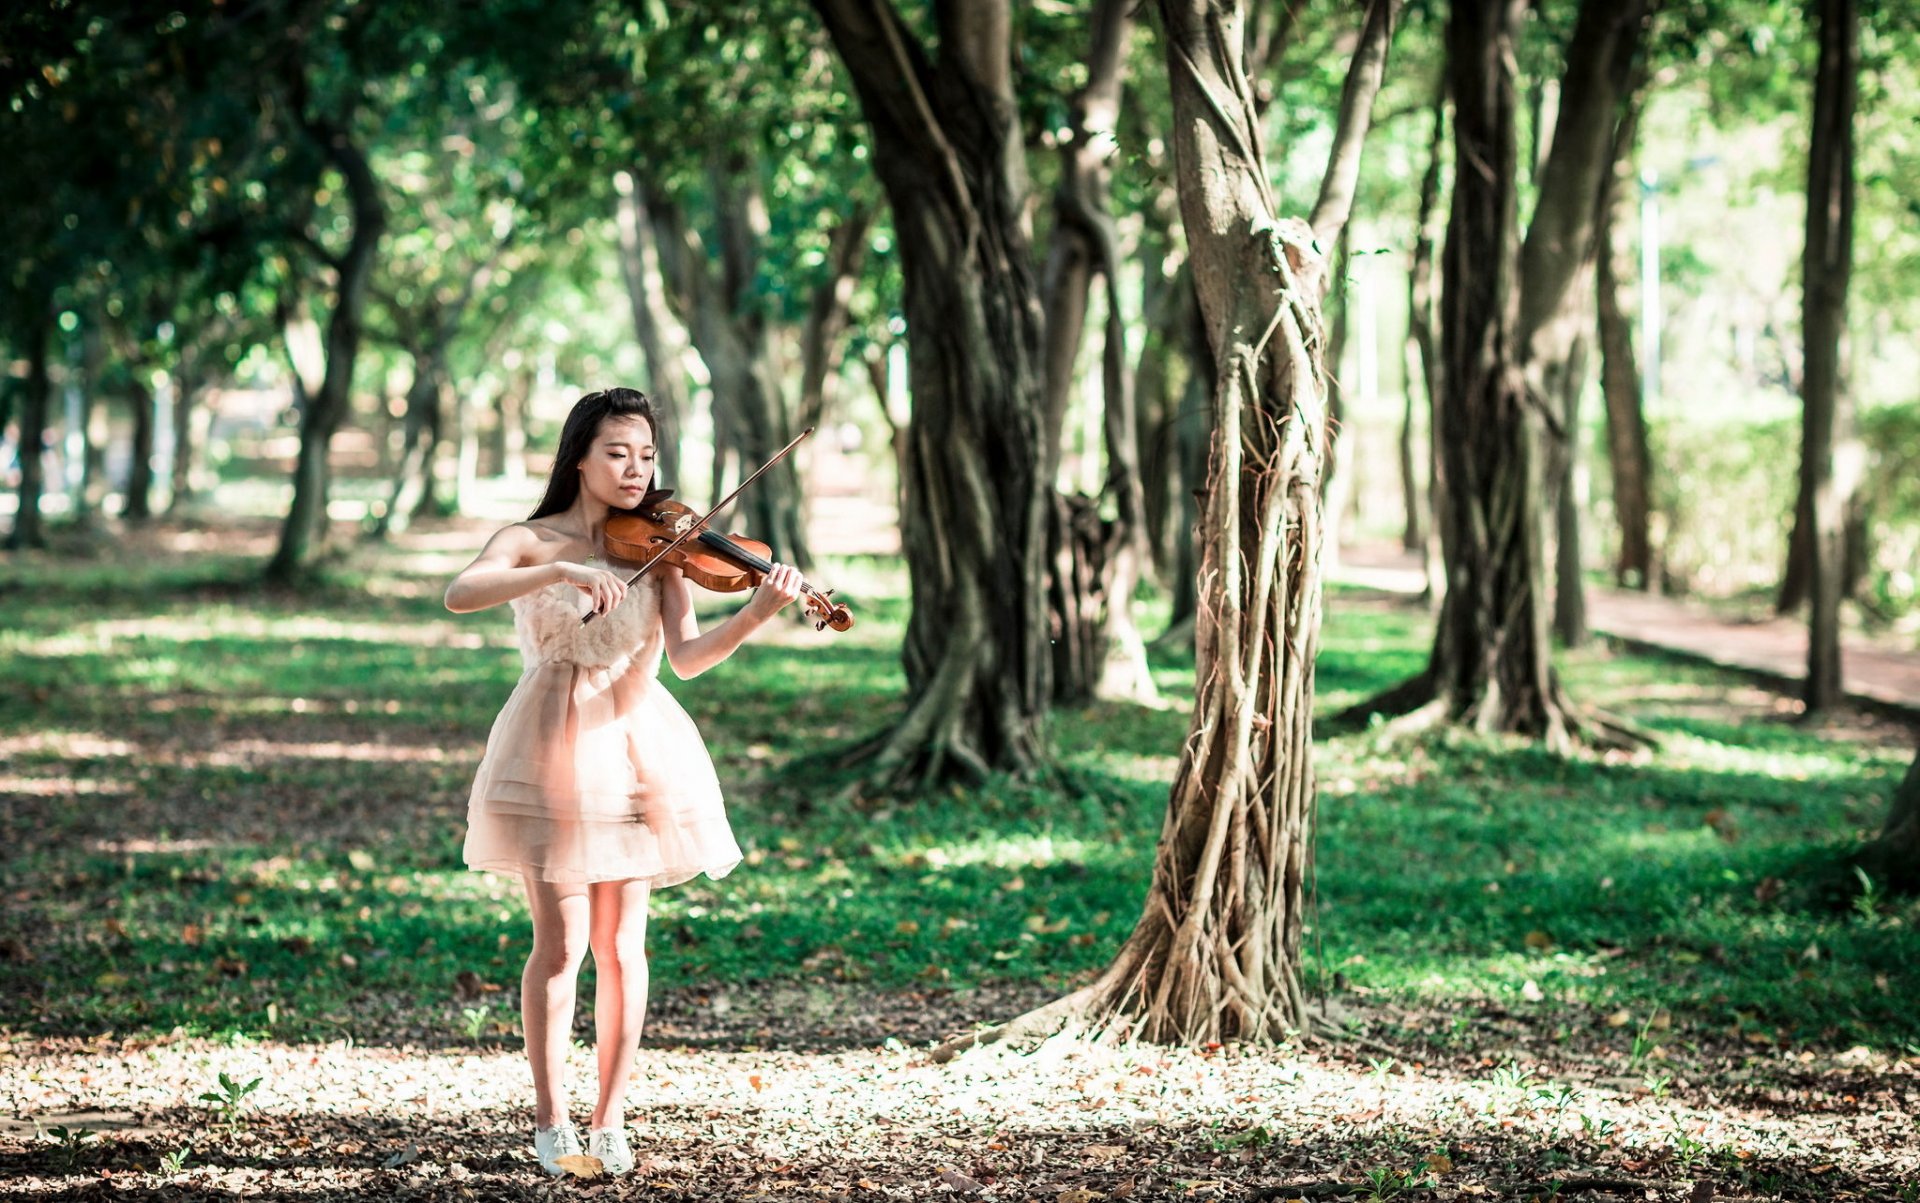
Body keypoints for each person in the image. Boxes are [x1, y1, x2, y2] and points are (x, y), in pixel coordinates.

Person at [445, 387, 801, 1177]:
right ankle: (550, 1118)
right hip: (550, 744)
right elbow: (460, 592)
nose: (638, 469)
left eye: (646, 455)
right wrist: (568, 565)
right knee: (562, 943)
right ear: (579, 456)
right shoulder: (530, 539)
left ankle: (609, 1117)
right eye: (618, 452)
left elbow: (688, 656)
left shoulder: (664, 548)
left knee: (621, 944)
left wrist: (756, 614)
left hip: (638, 742)